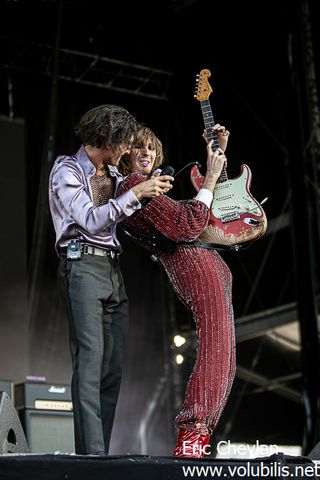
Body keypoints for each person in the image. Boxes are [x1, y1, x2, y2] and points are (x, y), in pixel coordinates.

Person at [48, 104, 174, 456]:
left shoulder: (116, 176)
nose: (129, 150)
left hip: (112, 271)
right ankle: (92, 458)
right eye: (125, 143)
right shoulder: (67, 170)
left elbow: (143, 183)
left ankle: (100, 454)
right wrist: (135, 194)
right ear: (109, 138)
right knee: (89, 362)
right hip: (81, 264)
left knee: (113, 367)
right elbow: (91, 219)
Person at [117, 124, 236, 458]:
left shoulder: (149, 187)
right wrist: (210, 178)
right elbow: (187, 224)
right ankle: (191, 439)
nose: (147, 153)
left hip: (207, 264)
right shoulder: (133, 185)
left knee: (224, 355)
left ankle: (198, 439)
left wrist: (217, 156)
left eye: (152, 148)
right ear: (125, 153)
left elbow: (204, 208)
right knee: (216, 349)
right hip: (193, 264)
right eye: (138, 147)